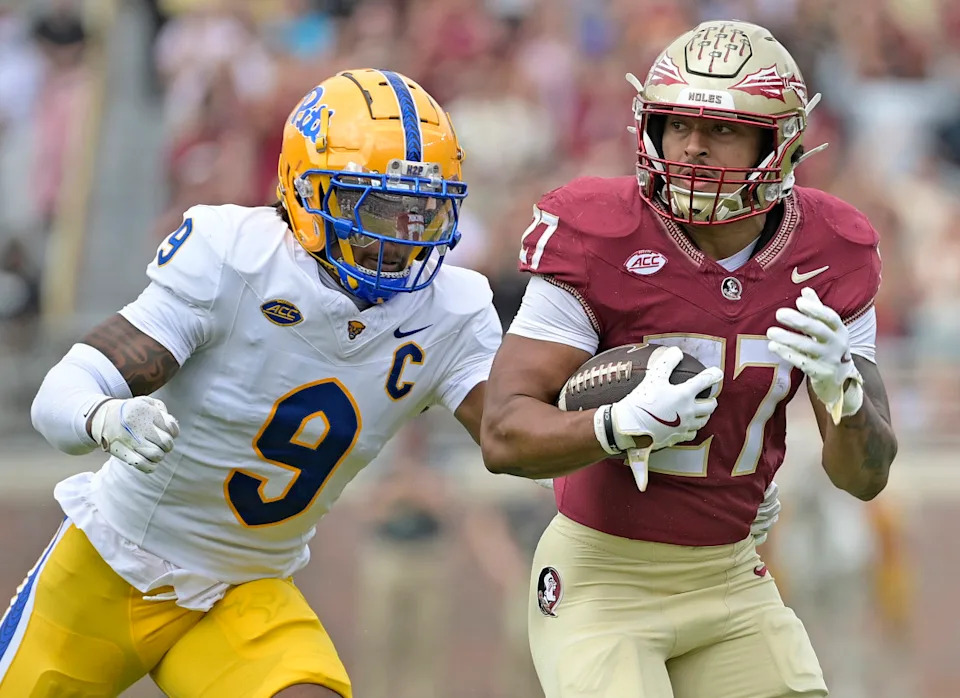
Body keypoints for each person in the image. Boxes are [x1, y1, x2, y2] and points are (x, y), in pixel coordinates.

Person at [0, 69, 502, 698]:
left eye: (420, 210)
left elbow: (513, 434)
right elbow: (61, 393)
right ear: (307, 192)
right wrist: (104, 416)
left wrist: (612, 411)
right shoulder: (234, 258)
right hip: (113, 563)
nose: (400, 236)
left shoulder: (453, 310)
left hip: (244, 588)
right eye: (377, 206)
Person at [480, 19, 898, 698]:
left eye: (723, 129)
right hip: (603, 579)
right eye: (677, 125)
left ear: (780, 141)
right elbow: (503, 433)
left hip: (731, 575)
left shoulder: (832, 249)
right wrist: (613, 427)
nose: (694, 148)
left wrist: (844, 391)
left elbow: (865, 477)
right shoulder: (599, 231)